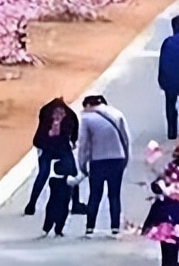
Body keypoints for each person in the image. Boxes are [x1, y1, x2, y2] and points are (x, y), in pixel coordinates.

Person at [76, 94, 131, 237]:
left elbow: (84, 144)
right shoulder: (117, 114)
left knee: (95, 194)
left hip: (98, 161)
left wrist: (82, 164)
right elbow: (126, 139)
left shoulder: (87, 119)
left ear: (88, 105)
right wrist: (125, 159)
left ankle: (90, 227)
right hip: (117, 158)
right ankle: (115, 227)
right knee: (114, 194)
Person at [25, 98, 83, 216]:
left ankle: (32, 204)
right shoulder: (52, 116)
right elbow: (39, 139)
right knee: (46, 174)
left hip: (56, 146)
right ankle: (32, 204)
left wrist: (72, 141)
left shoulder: (66, 116)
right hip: (50, 146)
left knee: (64, 173)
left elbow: (75, 130)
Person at [41, 149, 81, 237]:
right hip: (63, 202)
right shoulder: (68, 178)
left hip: (52, 200)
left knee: (51, 210)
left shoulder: (53, 179)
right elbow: (75, 180)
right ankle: (58, 230)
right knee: (62, 211)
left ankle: (47, 229)